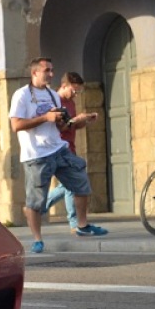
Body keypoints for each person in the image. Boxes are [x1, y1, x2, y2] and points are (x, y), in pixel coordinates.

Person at [9, 57, 108, 253]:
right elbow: (16, 125)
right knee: (36, 201)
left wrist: (79, 121)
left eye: (52, 70)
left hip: (59, 149)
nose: (51, 74)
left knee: (81, 183)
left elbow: (62, 125)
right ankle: (37, 239)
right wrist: (45, 117)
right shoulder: (21, 96)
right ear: (35, 72)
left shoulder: (53, 95)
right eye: (47, 70)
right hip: (36, 154)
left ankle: (82, 226)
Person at [43, 72, 99, 233]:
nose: (75, 94)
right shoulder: (56, 102)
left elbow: (73, 126)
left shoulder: (71, 103)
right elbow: (61, 126)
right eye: (74, 90)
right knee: (72, 185)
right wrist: (76, 119)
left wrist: (85, 120)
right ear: (64, 86)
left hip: (70, 147)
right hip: (59, 148)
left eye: (78, 91)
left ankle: (40, 207)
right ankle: (75, 223)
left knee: (68, 185)